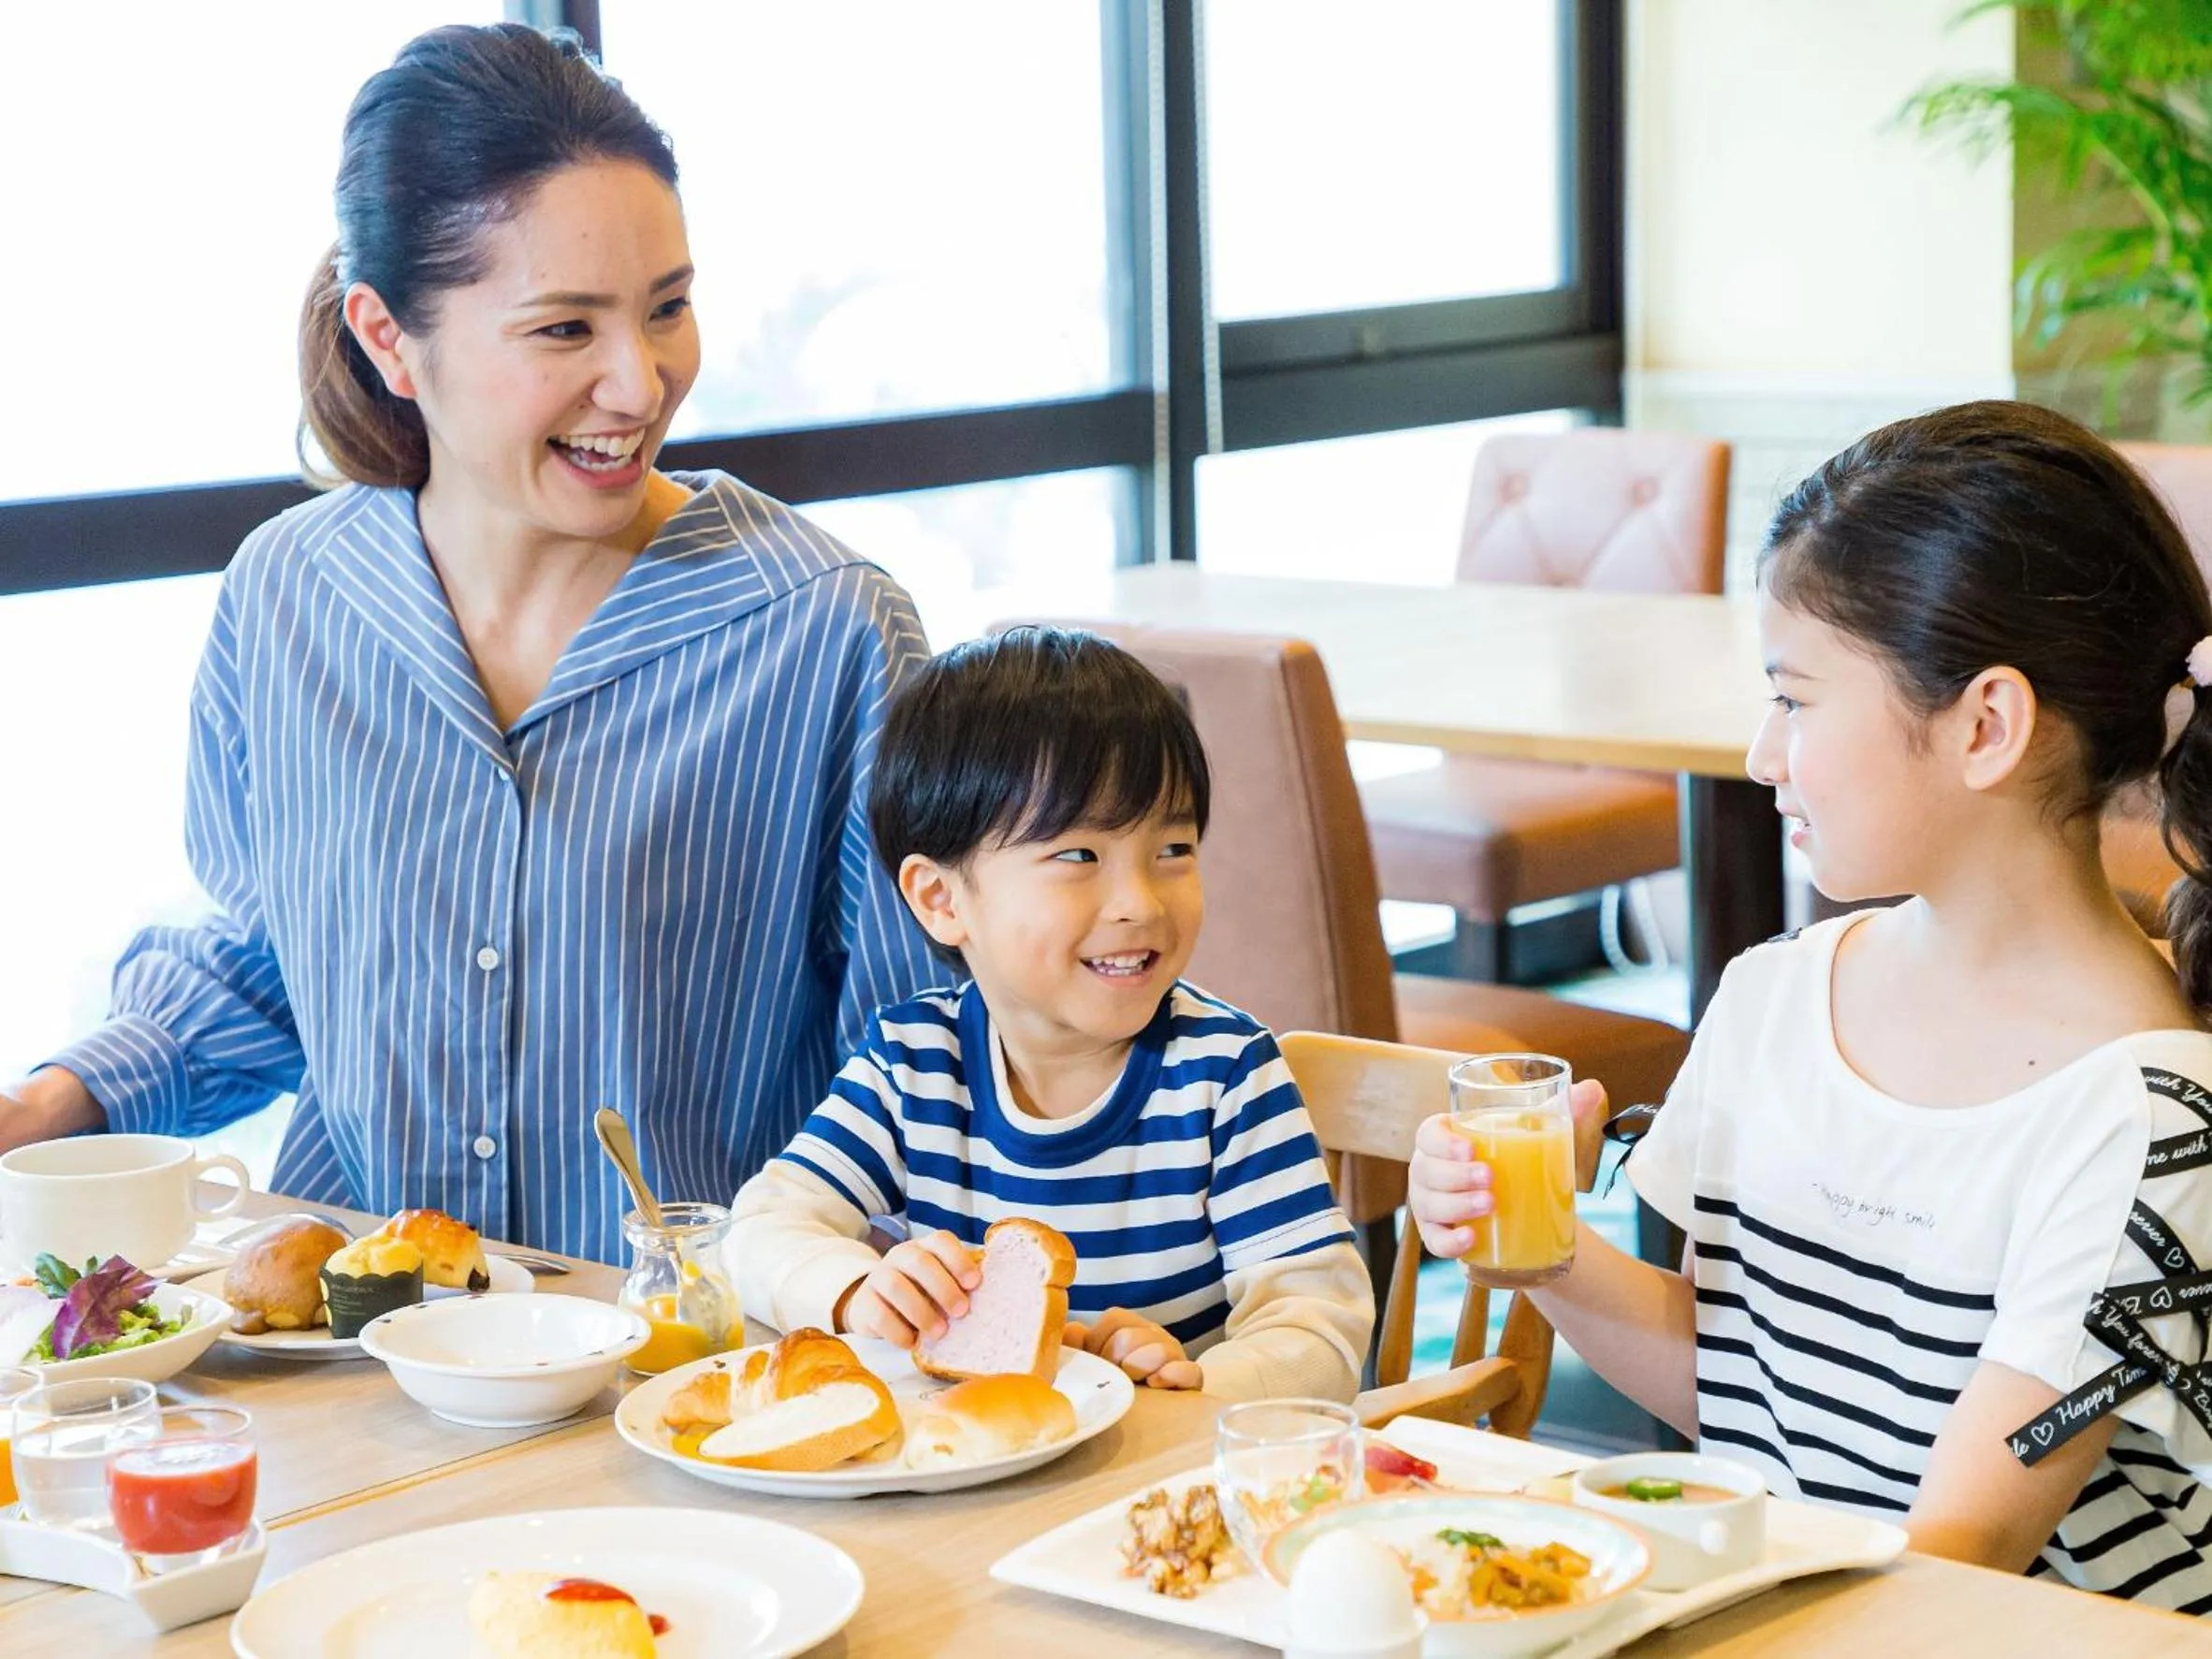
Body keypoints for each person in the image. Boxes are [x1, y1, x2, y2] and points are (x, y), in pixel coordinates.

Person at [0, 23, 939, 1263]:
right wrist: (46, 1106)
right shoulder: (289, 595)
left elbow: (925, 1058)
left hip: (677, 1382)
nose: (640, 381)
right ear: (389, 337)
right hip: (349, 1349)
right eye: (565, 331)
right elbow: (267, 965)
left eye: (668, 309)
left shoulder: (827, 629)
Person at [1412, 401, 2212, 1610]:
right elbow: (1738, 1384)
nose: (1760, 752)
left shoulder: (2152, 1115)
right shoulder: (1780, 994)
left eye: (1795, 698)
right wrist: (1540, 1249)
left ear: (1985, 725)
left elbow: (1962, 1555)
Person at [728, 627, 1375, 1401]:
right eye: (1079, 857)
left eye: (1173, 848)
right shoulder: (916, 1063)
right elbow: (761, 1228)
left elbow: (1320, 1331)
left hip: (1163, 1487)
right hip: (975, 1481)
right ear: (942, 898)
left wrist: (1190, 1382)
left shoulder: (1224, 1075)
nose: (1139, 902)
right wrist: (855, 1287)